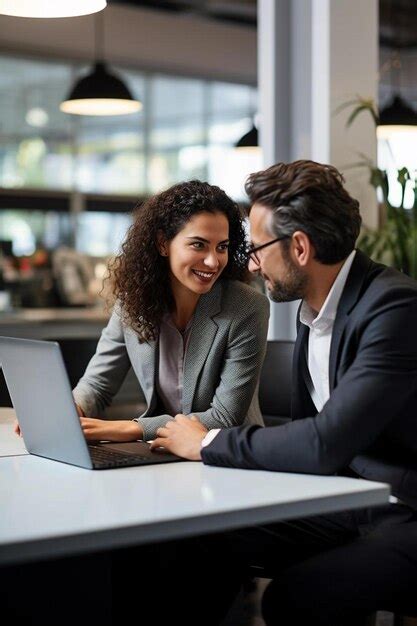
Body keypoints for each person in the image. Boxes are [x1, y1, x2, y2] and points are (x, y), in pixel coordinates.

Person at [151, 160, 417, 625]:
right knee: (196, 538)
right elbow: (305, 433)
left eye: (255, 248)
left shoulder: (394, 308)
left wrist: (208, 442)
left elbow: (322, 441)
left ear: (298, 247)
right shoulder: (311, 312)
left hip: (406, 508)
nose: (250, 264)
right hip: (349, 502)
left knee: (296, 596)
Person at [71, 180, 269, 442]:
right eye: (198, 245)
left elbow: (224, 417)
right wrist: (69, 411)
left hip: (228, 457)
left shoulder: (246, 307)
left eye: (221, 247)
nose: (213, 261)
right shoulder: (134, 303)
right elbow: (96, 385)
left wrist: (133, 429)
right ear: (163, 243)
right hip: (163, 455)